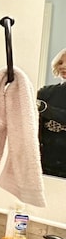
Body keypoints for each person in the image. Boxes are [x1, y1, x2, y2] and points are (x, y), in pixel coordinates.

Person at [37, 48, 66, 178]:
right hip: (45, 163)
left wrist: (45, 109)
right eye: (60, 63)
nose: (63, 66)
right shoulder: (46, 93)